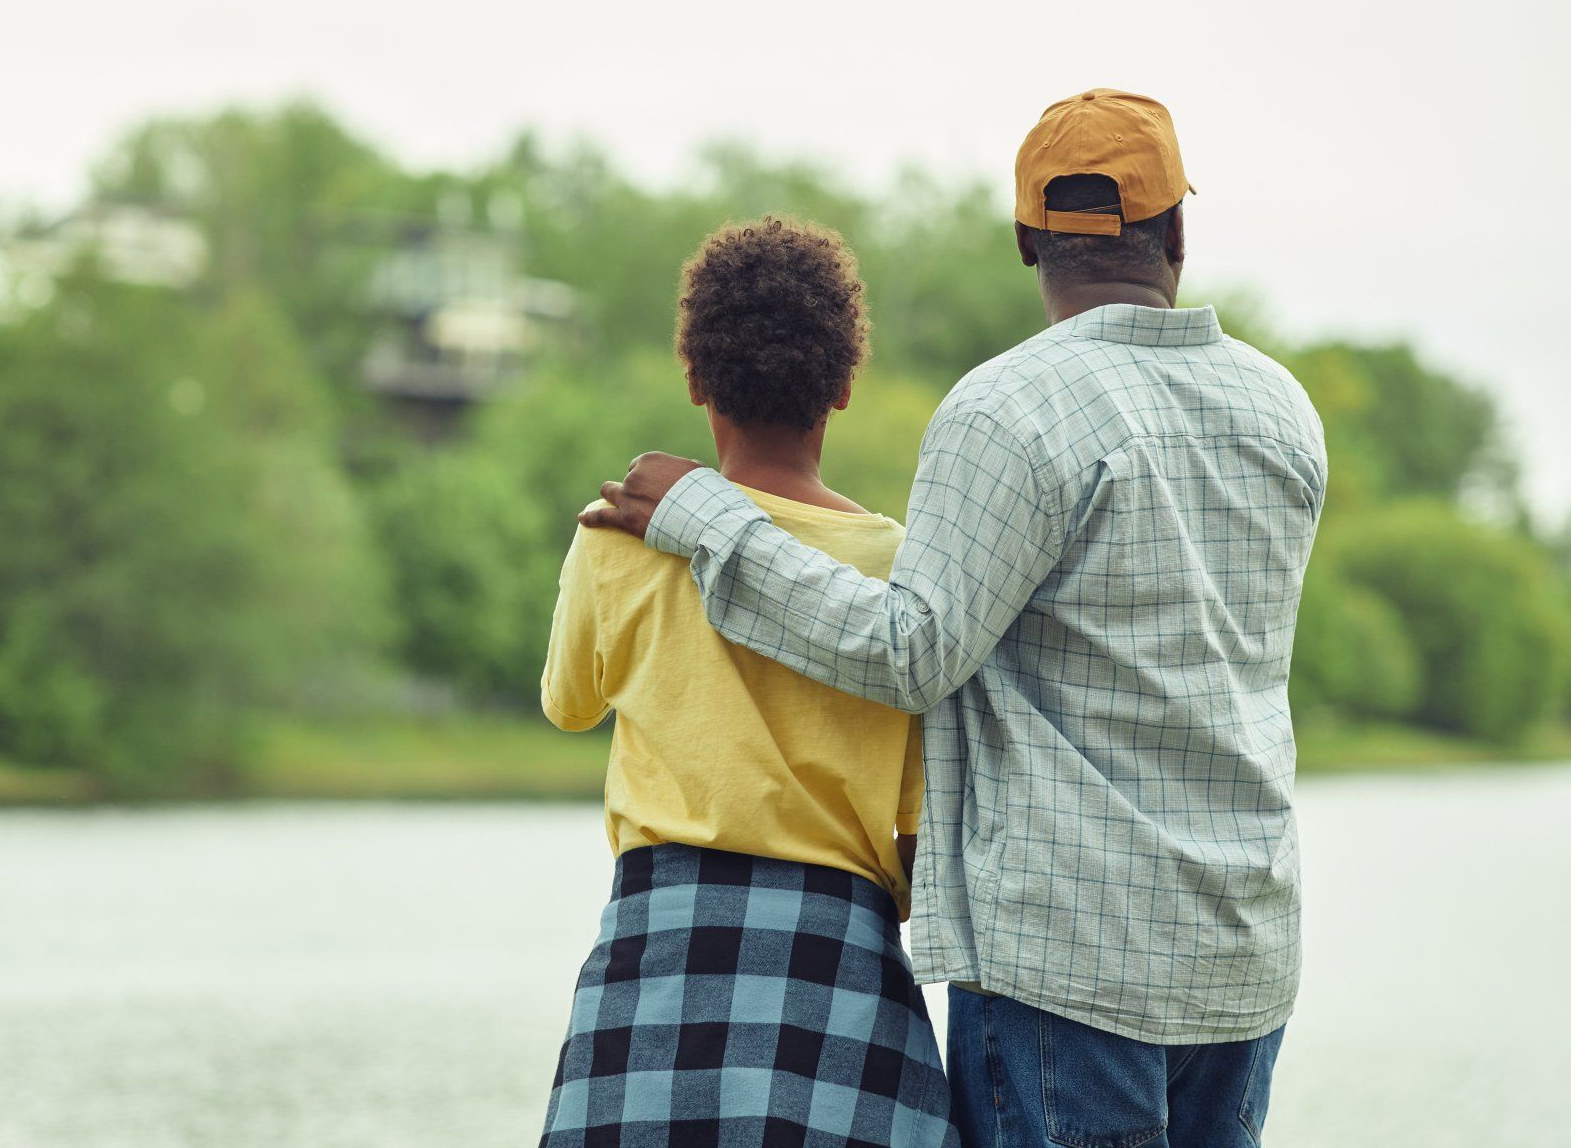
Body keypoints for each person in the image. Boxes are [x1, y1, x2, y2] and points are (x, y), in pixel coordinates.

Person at [582, 90, 1326, 1148]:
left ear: (1028, 239)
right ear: (1177, 231)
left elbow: (910, 648)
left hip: (1070, 965)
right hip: (1244, 951)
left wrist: (709, 521)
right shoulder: (1281, 408)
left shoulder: (1006, 407)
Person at [538, 217, 955, 1147]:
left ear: (696, 381)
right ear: (843, 390)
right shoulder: (900, 567)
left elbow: (568, 705)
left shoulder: (618, 538)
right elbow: (923, 822)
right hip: (837, 945)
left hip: (658, 933)